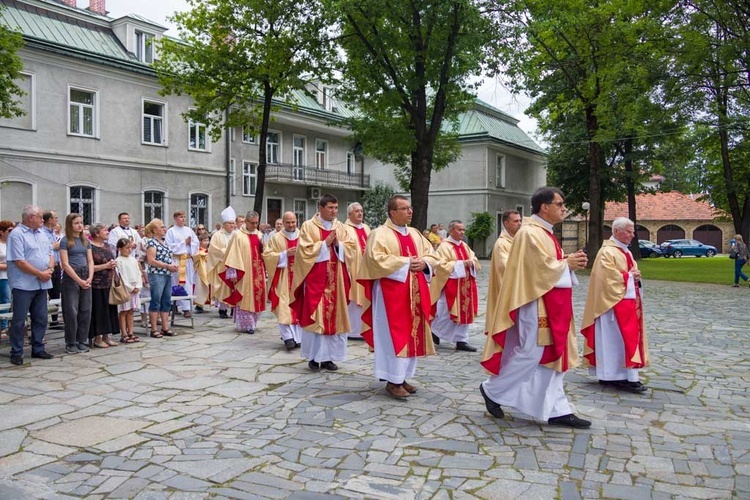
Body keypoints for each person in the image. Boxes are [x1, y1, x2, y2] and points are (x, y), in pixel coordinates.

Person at [479, 187, 591, 428]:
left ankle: (557, 409)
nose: (564, 208)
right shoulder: (530, 233)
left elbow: (547, 264)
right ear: (544, 207)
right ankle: (492, 390)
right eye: (560, 204)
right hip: (534, 302)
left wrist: (567, 263)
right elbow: (536, 270)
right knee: (531, 352)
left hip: (551, 302)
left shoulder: (545, 232)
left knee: (551, 355)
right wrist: (566, 265)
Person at [358, 195, 450, 398]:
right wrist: (408, 263)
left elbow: (433, 255)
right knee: (393, 335)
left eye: (410, 208)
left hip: (415, 292)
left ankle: (403, 377)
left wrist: (424, 264)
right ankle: (392, 380)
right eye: (404, 208)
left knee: (412, 334)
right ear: (392, 212)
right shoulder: (379, 234)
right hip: (391, 295)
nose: (410, 211)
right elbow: (375, 260)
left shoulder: (416, 234)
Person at [581, 217, 650, 394]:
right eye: (629, 231)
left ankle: (623, 375)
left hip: (627, 303)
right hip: (610, 306)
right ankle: (612, 374)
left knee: (624, 340)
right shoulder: (607, 252)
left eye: (633, 232)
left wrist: (635, 276)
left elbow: (629, 272)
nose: (632, 235)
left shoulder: (625, 252)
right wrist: (628, 277)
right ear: (616, 231)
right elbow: (606, 278)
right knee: (612, 340)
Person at [290, 194, 357, 371]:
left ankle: (329, 358)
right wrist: (323, 244)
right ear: (320, 208)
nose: (334, 211)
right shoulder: (308, 226)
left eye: (336, 208)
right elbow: (303, 251)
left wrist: (338, 245)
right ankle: (313, 358)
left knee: (335, 318)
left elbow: (352, 249)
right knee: (317, 317)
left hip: (337, 280)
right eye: (330, 208)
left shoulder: (341, 227)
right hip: (316, 280)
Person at [6, 205, 55, 365]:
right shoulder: (17, 234)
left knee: (41, 318)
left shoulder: (42, 234)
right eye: (40, 216)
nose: (43, 219)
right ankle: (17, 352)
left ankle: (38, 348)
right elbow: (19, 261)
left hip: (42, 283)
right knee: (19, 320)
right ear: (30, 217)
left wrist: (50, 269)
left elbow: (50, 254)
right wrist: (40, 274)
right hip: (24, 284)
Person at [430, 219, 480, 352]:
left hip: (466, 285)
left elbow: (474, 259)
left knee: (466, 312)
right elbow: (440, 265)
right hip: (452, 287)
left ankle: (461, 340)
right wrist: (460, 264)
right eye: (459, 229)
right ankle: (434, 330)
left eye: (463, 229)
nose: (462, 232)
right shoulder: (444, 246)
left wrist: (471, 262)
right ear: (451, 231)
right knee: (446, 313)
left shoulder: (464, 245)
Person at [217, 211, 266, 334]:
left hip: (258, 271)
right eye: (253, 223)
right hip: (244, 273)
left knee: (257, 296)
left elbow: (265, 252)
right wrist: (233, 273)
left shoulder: (259, 235)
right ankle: (246, 324)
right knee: (244, 296)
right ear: (246, 222)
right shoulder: (238, 235)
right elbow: (233, 254)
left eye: (257, 223)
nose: (255, 225)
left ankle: (253, 322)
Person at [262, 211, 302, 350]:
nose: (291, 225)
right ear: (283, 223)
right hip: (283, 278)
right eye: (288, 222)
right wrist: (285, 254)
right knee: (283, 307)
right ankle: (287, 337)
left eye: (293, 222)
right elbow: (267, 255)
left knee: (299, 307)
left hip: (299, 278)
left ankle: (298, 338)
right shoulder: (276, 238)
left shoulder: (303, 236)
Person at [60, 212, 94, 354]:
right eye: (76, 223)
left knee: (85, 310)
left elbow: (90, 261)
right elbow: (65, 264)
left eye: (81, 222)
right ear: (70, 225)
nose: (80, 225)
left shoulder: (86, 241)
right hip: (72, 277)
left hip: (85, 274)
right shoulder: (65, 241)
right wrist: (78, 281)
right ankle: (71, 341)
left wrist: (89, 277)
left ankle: (81, 340)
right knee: (71, 311)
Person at [484, 210, 522, 339]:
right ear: (506, 223)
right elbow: (506, 267)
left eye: (520, 220)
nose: (520, 224)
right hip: (508, 290)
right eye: (516, 221)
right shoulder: (502, 244)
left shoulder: (519, 240)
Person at [144, 218, 179, 338]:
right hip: (157, 274)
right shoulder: (151, 242)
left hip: (167, 274)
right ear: (155, 230)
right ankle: (154, 328)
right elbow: (151, 260)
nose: (164, 229)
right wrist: (167, 266)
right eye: (161, 227)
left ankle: (165, 327)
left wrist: (172, 266)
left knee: (166, 300)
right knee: (156, 300)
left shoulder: (164, 242)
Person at [88, 223, 120, 349]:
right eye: (105, 230)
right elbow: (89, 266)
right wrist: (105, 266)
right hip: (96, 283)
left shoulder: (106, 246)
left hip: (108, 282)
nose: (107, 232)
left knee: (109, 310)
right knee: (99, 311)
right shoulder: (90, 247)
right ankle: (97, 337)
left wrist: (112, 265)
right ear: (96, 233)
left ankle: (107, 335)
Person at [344, 202, 371, 340]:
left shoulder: (366, 228)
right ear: (349, 214)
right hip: (353, 269)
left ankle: (364, 328)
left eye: (361, 211)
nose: (360, 213)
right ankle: (353, 330)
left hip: (366, 270)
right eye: (356, 211)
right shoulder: (345, 229)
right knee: (354, 298)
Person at [165, 210, 199, 318]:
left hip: (187, 261)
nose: (183, 219)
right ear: (175, 218)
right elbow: (169, 246)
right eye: (180, 217)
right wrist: (183, 243)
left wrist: (191, 244)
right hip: (177, 260)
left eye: (184, 217)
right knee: (176, 283)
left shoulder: (189, 230)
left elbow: (196, 243)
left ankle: (186, 308)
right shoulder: (171, 231)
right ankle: (174, 305)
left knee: (187, 284)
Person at [207, 207, 237, 319]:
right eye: (229, 223)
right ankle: (222, 309)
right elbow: (213, 250)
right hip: (222, 266)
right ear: (224, 224)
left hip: (235, 265)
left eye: (233, 223)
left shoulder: (237, 234)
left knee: (235, 288)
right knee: (223, 288)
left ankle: (234, 309)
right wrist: (227, 253)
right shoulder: (217, 235)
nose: (232, 226)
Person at [115, 238, 142, 344]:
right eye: (127, 248)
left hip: (135, 288)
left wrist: (138, 286)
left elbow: (138, 273)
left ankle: (131, 332)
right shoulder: (118, 261)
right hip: (125, 289)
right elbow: (121, 276)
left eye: (130, 247)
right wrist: (130, 287)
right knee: (123, 311)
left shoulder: (133, 260)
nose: (129, 250)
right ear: (120, 249)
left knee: (130, 311)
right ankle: (124, 333)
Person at [42, 211, 62, 327]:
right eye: (55, 218)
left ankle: (54, 320)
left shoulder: (53, 233)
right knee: (46, 294)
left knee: (56, 293)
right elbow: (44, 247)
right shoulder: (42, 232)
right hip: (48, 266)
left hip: (57, 265)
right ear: (49, 220)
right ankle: (44, 319)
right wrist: (53, 247)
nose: (57, 220)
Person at [0, 220, 14, 338]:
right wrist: (9, 266)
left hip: (12, 276)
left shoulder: (12, 243)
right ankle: (3, 327)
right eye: (9, 230)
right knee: (5, 300)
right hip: (2, 276)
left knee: (11, 301)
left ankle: (9, 325)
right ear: (2, 232)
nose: (12, 232)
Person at [192, 233, 211, 311]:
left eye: (207, 240)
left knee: (209, 286)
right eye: (204, 240)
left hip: (208, 269)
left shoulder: (210, 251)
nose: (206, 242)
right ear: (200, 242)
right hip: (200, 271)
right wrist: (201, 255)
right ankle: (199, 305)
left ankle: (207, 301)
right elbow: (194, 257)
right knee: (200, 287)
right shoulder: (197, 250)